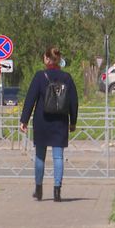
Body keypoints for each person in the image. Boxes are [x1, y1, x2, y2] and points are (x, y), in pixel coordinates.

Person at [19, 46, 79, 202]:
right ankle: (57, 191)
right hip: (60, 121)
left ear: (46, 59)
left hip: (42, 120)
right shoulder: (67, 77)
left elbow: (30, 99)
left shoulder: (40, 76)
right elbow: (74, 101)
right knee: (58, 157)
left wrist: (24, 120)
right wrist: (73, 121)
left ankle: (38, 189)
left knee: (40, 156)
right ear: (59, 59)